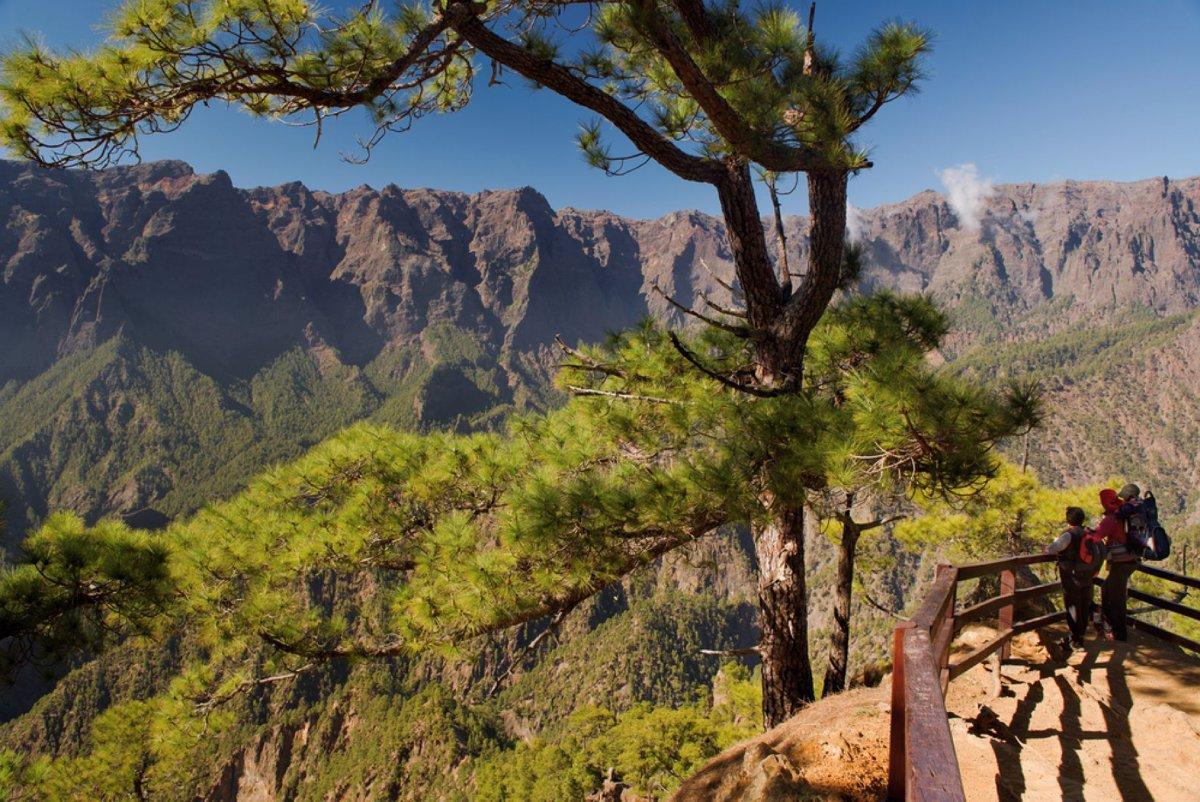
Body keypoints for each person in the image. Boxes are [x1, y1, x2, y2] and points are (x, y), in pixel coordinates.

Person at [1045, 506, 1096, 650]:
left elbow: (1051, 549)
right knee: (1084, 606)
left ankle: (1075, 640)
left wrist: (1052, 544)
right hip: (1087, 575)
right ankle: (1080, 637)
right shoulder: (1088, 533)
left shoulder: (1069, 535)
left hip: (1071, 577)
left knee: (1073, 607)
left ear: (1068, 519)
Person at [1096, 484, 1141, 642]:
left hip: (1121, 562)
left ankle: (1119, 635)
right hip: (1133, 559)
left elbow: (1096, 536)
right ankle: (1109, 628)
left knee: (1117, 599)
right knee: (1107, 589)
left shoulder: (1112, 518)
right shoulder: (1125, 512)